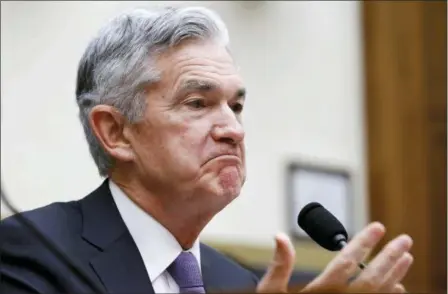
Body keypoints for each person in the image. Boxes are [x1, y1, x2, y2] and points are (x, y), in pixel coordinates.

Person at [0, 5, 414, 294]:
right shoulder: (29, 253)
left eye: (236, 106)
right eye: (197, 103)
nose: (234, 129)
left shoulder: (238, 282)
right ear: (116, 132)